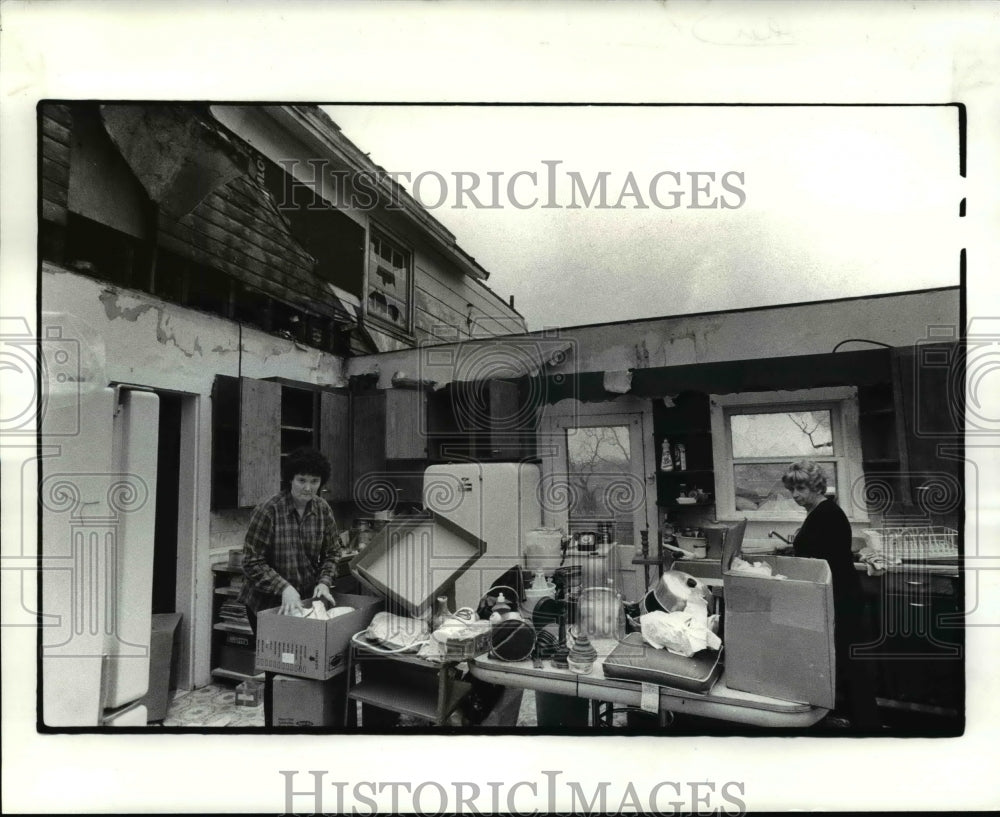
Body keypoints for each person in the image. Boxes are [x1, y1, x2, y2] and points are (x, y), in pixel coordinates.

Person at [238, 446, 341, 725]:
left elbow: (333, 552)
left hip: (304, 602)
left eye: (314, 482)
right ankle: (278, 725)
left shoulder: (322, 510)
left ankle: (304, 721)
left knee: (306, 666)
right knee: (279, 670)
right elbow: (251, 561)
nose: (308, 488)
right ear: (290, 480)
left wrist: (324, 581)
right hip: (266, 605)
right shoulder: (268, 511)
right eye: (302, 480)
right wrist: (283, 587)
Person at [782, 460, 881, 732]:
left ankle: (867, 726)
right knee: (845, 663)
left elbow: (824, 560)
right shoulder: (821, 511)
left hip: (839, 599)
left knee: (851, 665)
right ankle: (856, 721)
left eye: (800, 488)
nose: (795, 495)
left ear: (815, 486)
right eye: (792, 489)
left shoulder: (826, 514)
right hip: (835, 596)